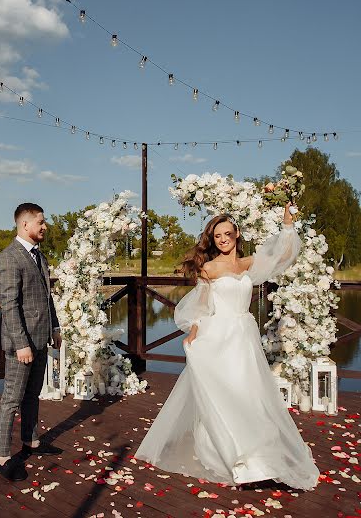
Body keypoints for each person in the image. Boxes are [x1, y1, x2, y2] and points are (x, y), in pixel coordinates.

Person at [135, 203, 320, 491]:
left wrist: (287, 224)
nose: (222, 240)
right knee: (224, 395)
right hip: (217, 336)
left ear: (236, 234)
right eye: (217, 236)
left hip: (243, 336)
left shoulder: (247, 264)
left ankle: (259, 460)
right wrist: (193, 334)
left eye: (227, 234)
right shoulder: (209, 269)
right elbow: (201, 306)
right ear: (213, 240)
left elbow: (282, 255)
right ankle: (232, 458)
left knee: (248, 394)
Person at [0, 203, 63, 481]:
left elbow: (47, 296)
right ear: (25, 224)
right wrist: (21, 344)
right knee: (11, 400)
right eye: (41, 222)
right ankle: (1, 457)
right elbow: (9, 305)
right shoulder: (9, 258)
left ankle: (31, 441)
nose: (45, 226)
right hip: (21, 344)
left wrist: (55, 326)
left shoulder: (38, 255)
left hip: (41, 337)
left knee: (33, 395)